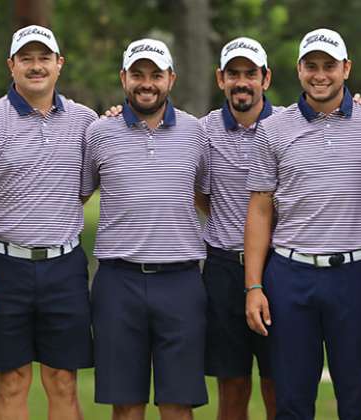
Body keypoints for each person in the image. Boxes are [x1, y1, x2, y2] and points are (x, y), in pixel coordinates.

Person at [244, 28, 361, 420]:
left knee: (357, 399)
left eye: (330, 66)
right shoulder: (273, 128)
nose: (320, 74)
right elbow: (260, 209)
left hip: (357, 276)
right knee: (291, 401)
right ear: (299, 70)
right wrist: (254, 286)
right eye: (312, 66)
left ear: (346, 68)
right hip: (290, 275)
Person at [0, 25, 96, 420]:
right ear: (11, 66)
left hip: (64, 266)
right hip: (3, 267)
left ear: (59, 64)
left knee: (62, 380)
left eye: (44, 58)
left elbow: (82, 190)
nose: (36, 67)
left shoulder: (86, 122)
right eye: (27, 59)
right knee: (13, 380)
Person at [82, 38, 209, 420]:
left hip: (181, 281)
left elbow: (204, 195)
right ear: (124, 78)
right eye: (138, 74)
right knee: (127, 405)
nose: (147, 82)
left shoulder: (195, 132)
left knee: (178, 404)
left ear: (171, 79)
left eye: (156, 74)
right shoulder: (99, 133)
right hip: (119, 281)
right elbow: (77, 194)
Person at [200, 36, 279, 420]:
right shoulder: (202, 132)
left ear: (266, 78)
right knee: (231, 387)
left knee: (277, 382)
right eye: (234, 73)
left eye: (250, 73)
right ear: (221, 78)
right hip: (223, 268)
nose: (242, 82)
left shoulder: (286, 126)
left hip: (278, 267)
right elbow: (201, 196)